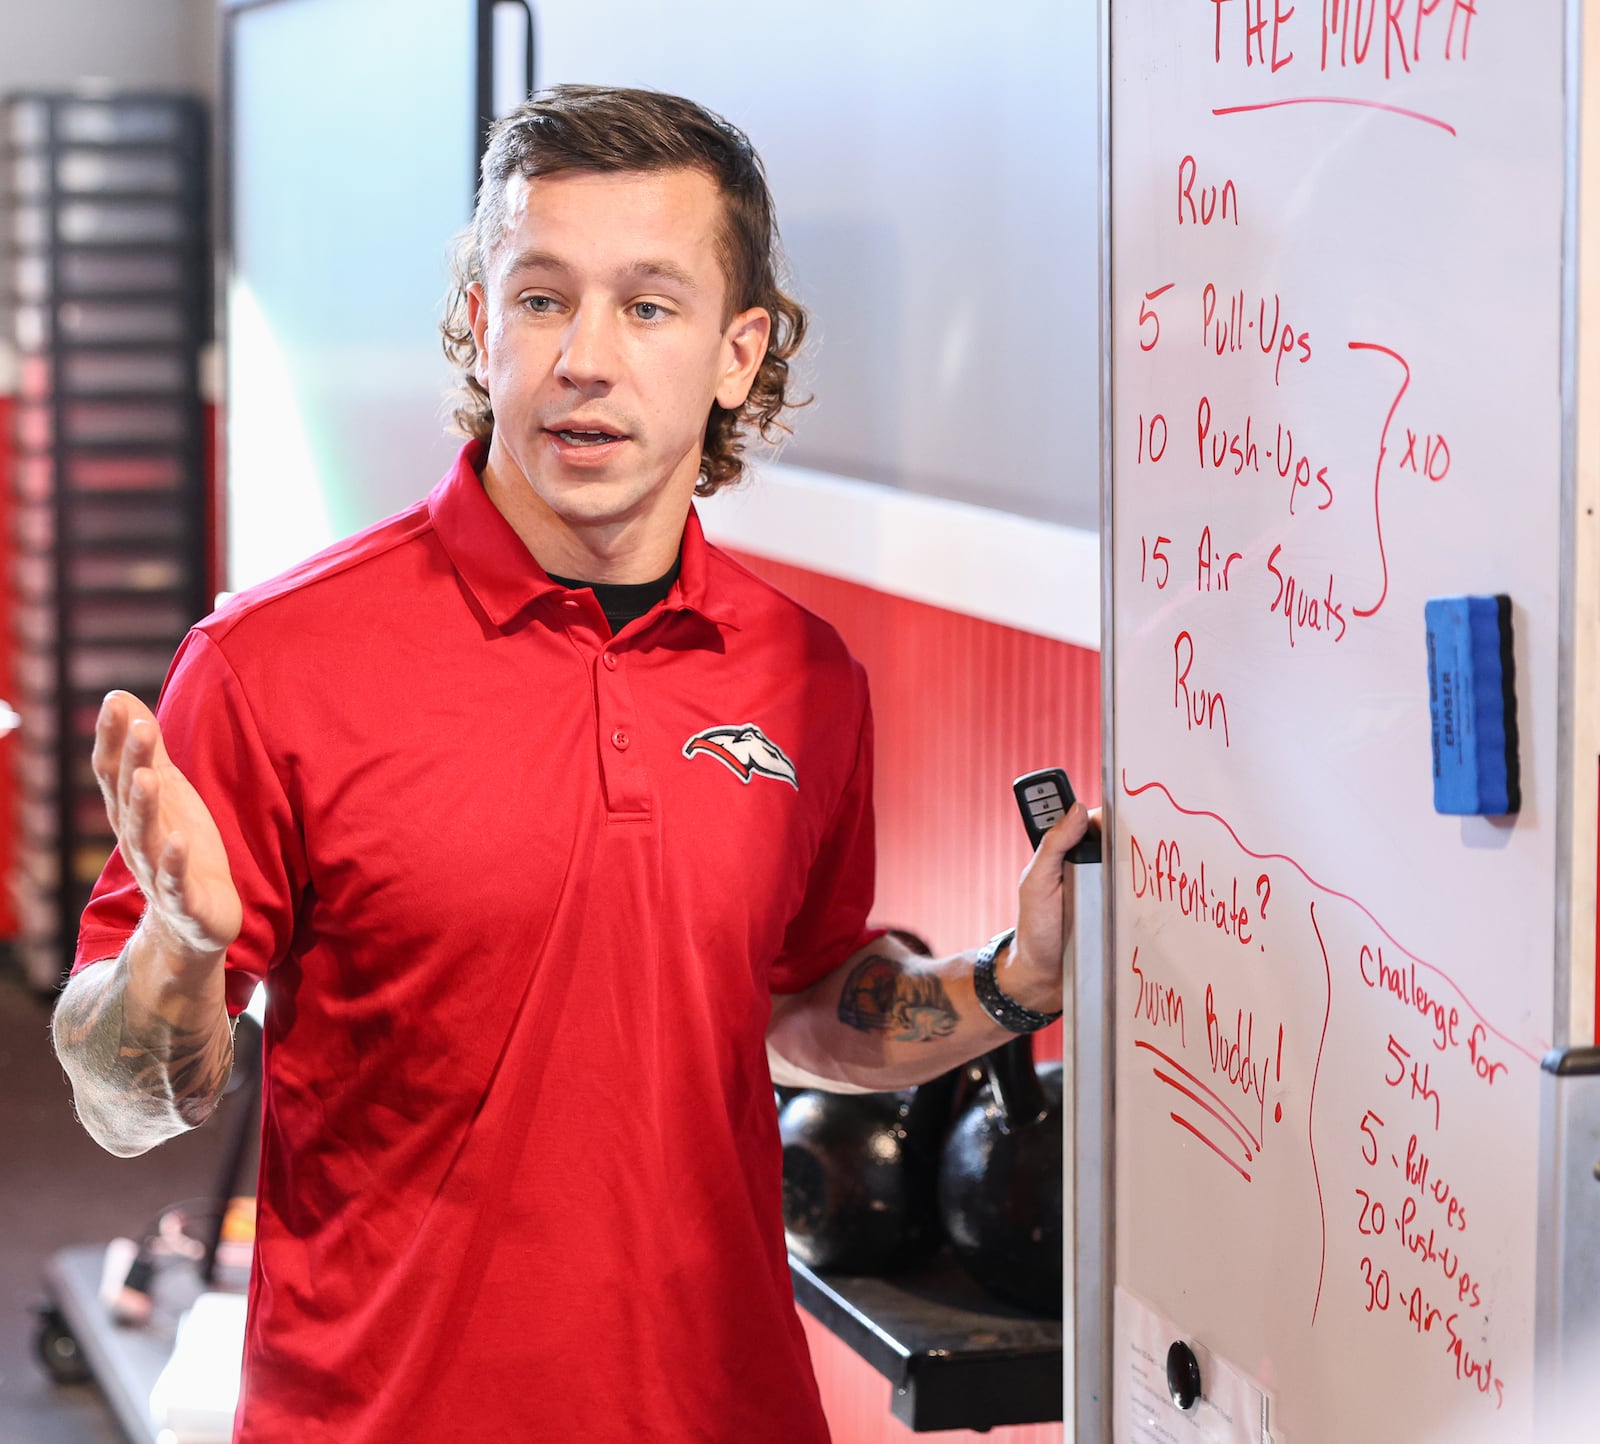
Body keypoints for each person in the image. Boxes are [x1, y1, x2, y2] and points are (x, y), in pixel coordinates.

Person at [51, 85, 1090, 1444]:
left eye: (649, 305)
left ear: (738, 349)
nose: (584, 358)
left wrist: (1016, 983)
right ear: (483, 325)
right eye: (541, 298)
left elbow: (795, 1003)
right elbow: (120, 1102)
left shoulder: (805, 677)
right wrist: (182, 950)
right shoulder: (268, 665)